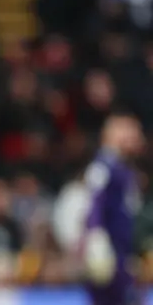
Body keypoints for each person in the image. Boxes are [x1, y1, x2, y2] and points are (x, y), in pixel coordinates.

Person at [83, 112, 144, 305]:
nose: (136, 135)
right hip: (108, 254)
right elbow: (94, 201)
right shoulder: (103, 166)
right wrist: (96, 236)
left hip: (121, 253)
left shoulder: (122, 168)